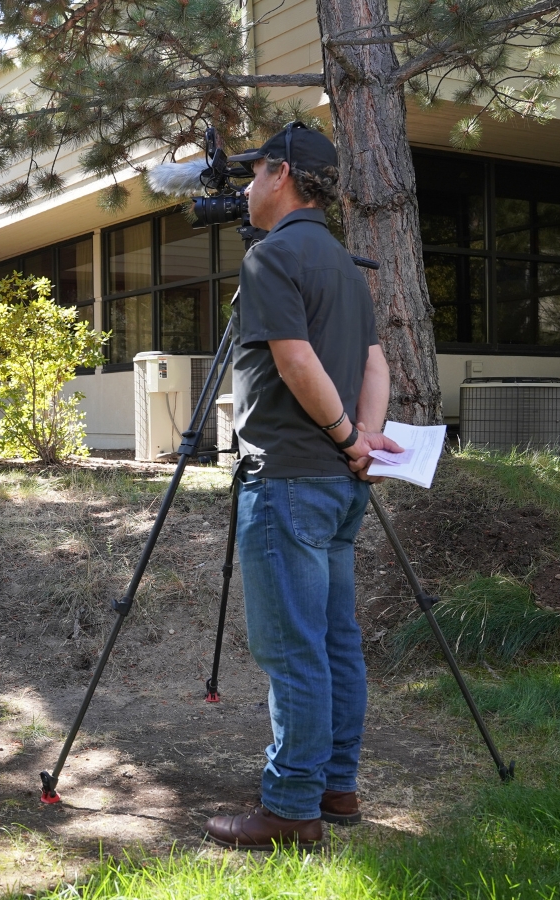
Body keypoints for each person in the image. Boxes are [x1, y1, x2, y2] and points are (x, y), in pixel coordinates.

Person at [201, 123, 401, 849]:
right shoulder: (346, 265)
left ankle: (291, 808)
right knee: (335, 642)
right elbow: (374, 363)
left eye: (255, 175)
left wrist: (349, 439)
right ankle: (336, 787)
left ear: (282, 175)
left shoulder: (273, 257)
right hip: (339, 485)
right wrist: (363, 444)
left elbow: (293, 362)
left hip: (287, 478)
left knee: (295, 652)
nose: (247, 188)